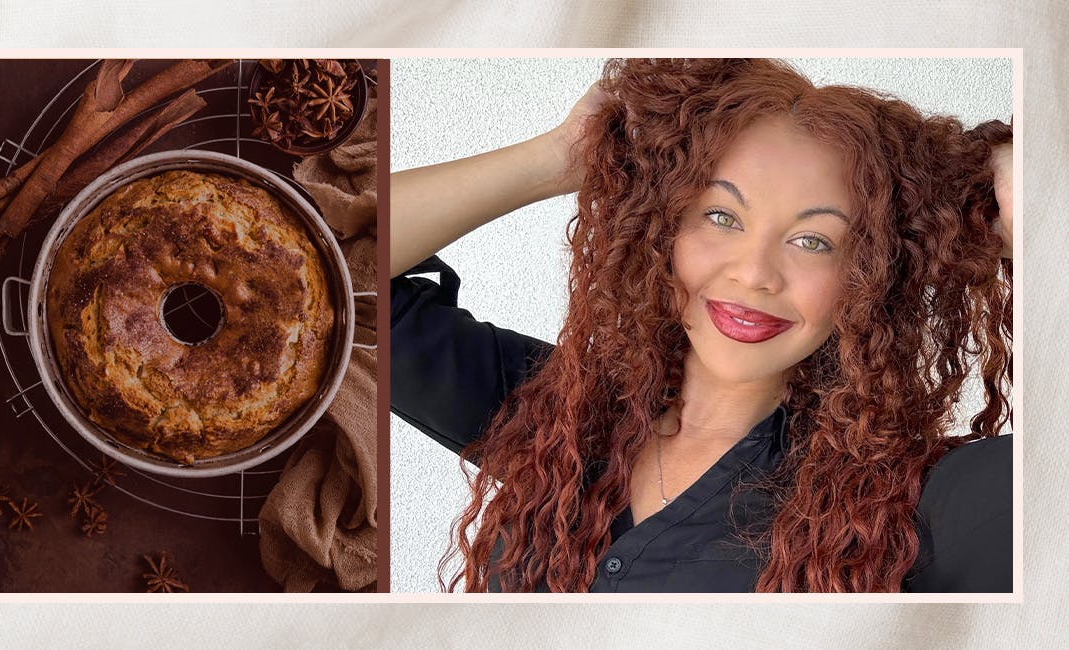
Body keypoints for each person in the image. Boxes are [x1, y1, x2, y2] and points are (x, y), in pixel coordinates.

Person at [391, 58, 1013, 593]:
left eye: (814, 240)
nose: (755, 273)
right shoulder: (560, 413)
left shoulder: (909, 505)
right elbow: (348, 279)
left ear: (874, 273)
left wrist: (1025, 206)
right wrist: (559, 158)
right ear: (662, 225)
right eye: (721, 216)